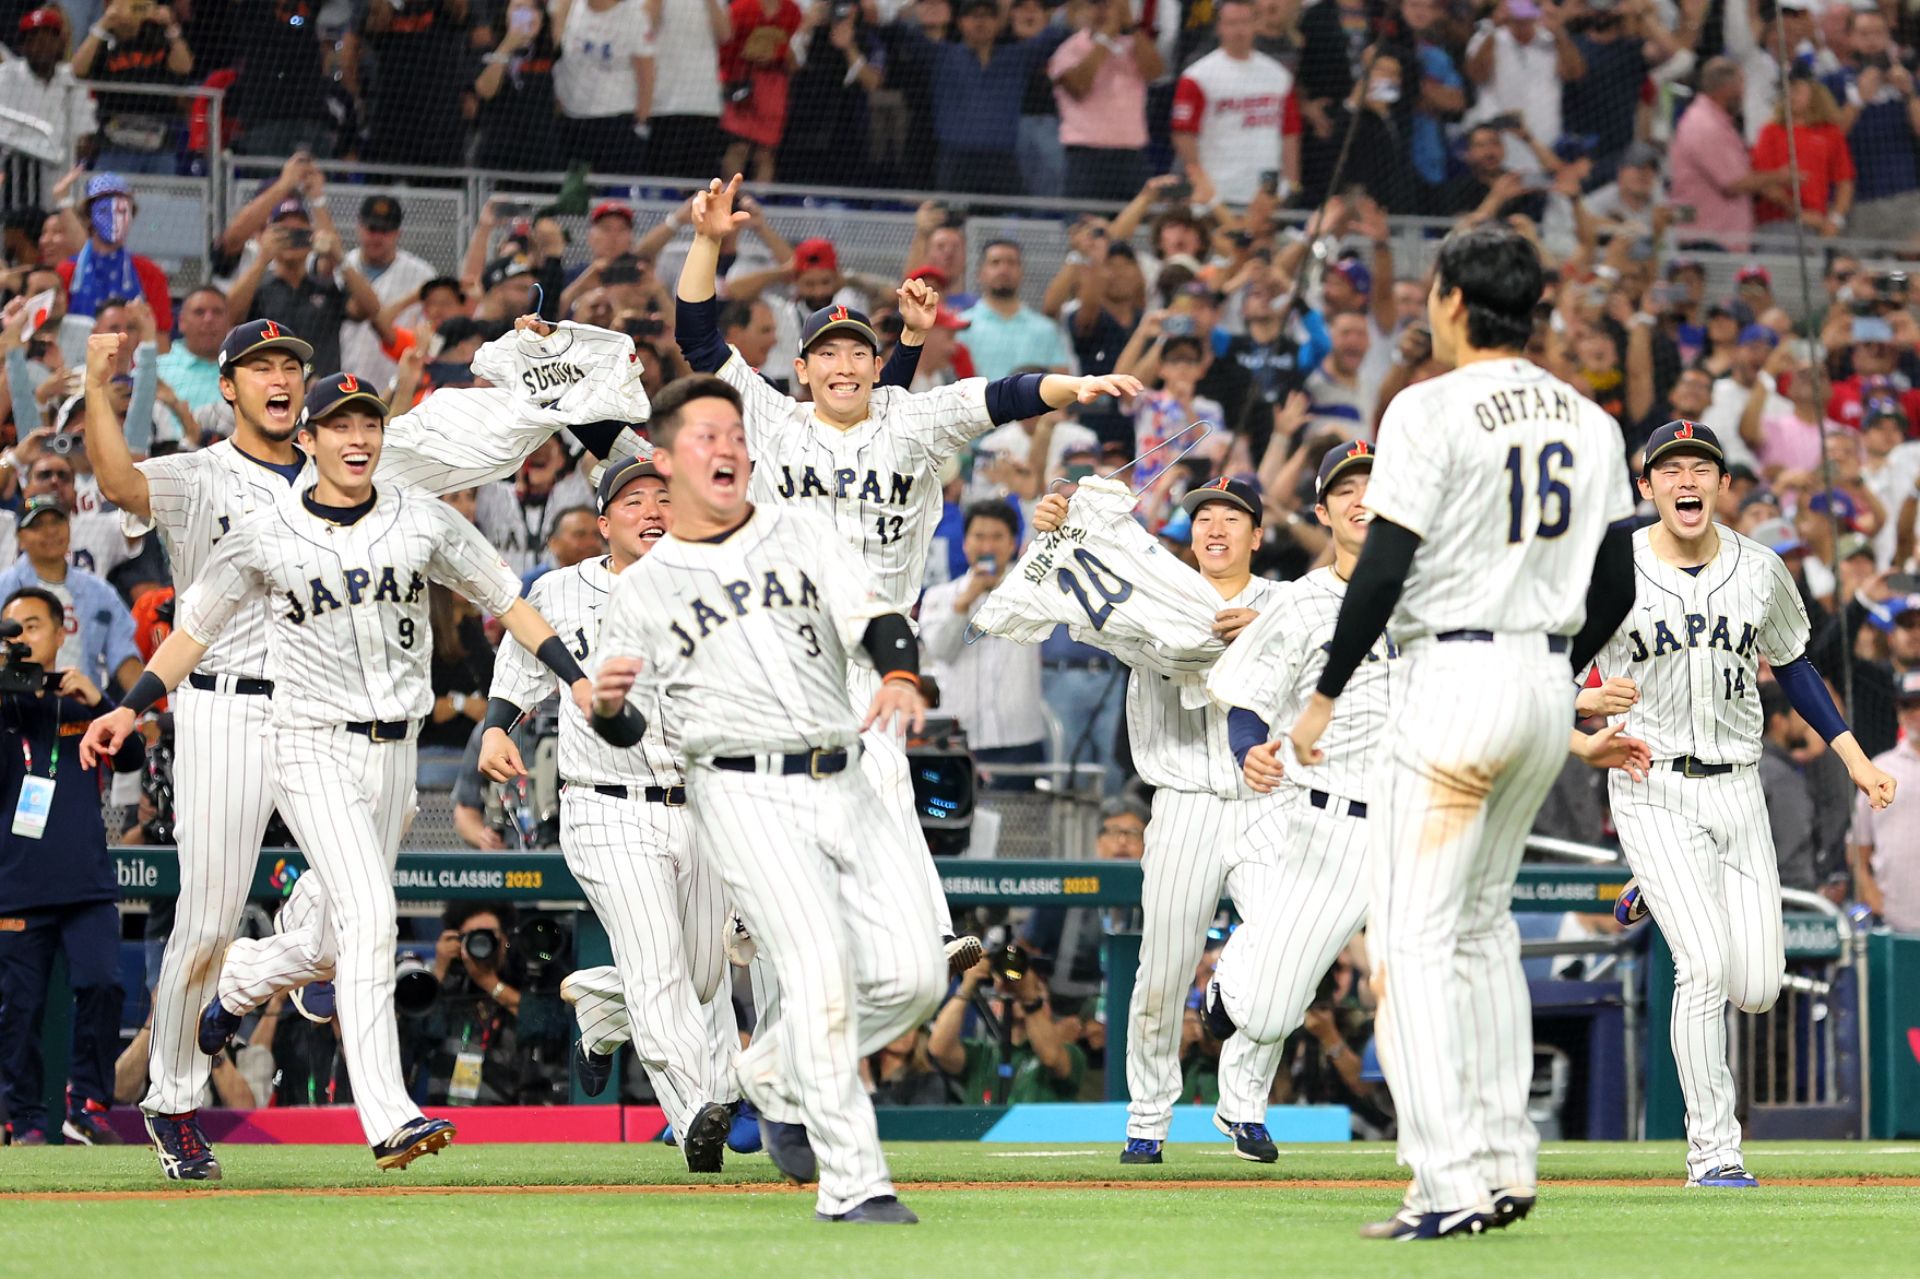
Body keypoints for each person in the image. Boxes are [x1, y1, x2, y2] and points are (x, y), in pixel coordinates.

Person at [81, 372, 595, 1172]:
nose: (358, 438)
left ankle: (246, 979)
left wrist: (574, 673)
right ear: (309, 439)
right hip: (282, 725)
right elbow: (192, 632)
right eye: (341, 424)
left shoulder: (414, 514)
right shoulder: (260, 522)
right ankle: (350, 1112)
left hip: (390, 745)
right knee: (291, 917)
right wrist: (134, 705)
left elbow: (512, 601)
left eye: (370, 423)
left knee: (328, 936)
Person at [675, 174, 1139, 971]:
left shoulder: (908, 417)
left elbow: (1002, 394)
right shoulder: (773, 420)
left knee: (884, 776)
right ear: (804, 366)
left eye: (859, 349)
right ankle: (759, 912)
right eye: (830, 353)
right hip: (785, 641)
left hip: (880, 644)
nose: (845, 363)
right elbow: (696, 336)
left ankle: (923, 930)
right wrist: (710, 241)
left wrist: (1076, 387)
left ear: (876, 358)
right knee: (780, 789)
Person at [1286, 224, 1637, 1239]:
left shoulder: (1427, 407)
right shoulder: (1591, 418)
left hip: (1452, 676)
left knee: (1411, 937)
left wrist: (1323, 696)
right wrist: (1554, 677)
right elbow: (1616, 578)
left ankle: (1445, 1182)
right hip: (1538, 678)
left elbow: (1384, 565)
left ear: (1447, 299)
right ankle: (1503, 1159)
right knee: (1484, 930)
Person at [587, 374, 945, 1223]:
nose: (728, 447)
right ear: (667, 460)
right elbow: (626, 728)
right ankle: (854, 1183)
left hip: (844, 771)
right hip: (739, 791)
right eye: (707, 435)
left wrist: (899, 670)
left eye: (736, 434)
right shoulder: (643, 587)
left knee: (917, 974)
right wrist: (604, 706)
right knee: (819, 970)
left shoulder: (802, 530)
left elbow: (878, 615)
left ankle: (771, 1070)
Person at [1588, 420, 1895, 1191]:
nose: (1685, 478)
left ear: (1724, 485)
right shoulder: (1611, 566)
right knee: (1702, 966)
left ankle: (1657, 889)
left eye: (1701, 466)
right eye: (1670, 468)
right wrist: (1584, 701)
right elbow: (1549, 662)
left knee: (1756, 986)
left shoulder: (1760, 568)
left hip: (1737, 783)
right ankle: (1714, 1152)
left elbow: (1794, 667)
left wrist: (1853, 754)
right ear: (1647, 485)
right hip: (1649, 779)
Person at [479, 455, 740, 1171]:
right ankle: (696, 1115)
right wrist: (499, 726)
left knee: (704, 978)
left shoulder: (718, 586)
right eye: (633, 501)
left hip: (703, 805)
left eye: (664, 498)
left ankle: (604, 1005)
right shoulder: (561, 589)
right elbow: (520, 672)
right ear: (602, 523)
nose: (652, 510)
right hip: (606, 804)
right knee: (660, 970)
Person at [1029, 477, 1288, 1165]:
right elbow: (1072, 595)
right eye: (1203, 515)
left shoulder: (1290, 604)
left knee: (1280, 955)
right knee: (1163, 970)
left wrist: (1266, 635)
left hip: (1268, 799)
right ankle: (1148, 1116)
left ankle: (1245, 1105)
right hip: (1183, 801)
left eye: (1233, 517)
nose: (1217, 526)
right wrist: (1054, 530)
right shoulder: (1151, 592)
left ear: (1257, 535)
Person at [0, 586, 145, 1146]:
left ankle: (86, 1107)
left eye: (33, 626)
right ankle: (25, 1121)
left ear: (62, 633)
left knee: (104, 984)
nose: (23, 638)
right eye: (12, 629)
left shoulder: (81, 697)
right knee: (19, 1010)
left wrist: (105, 701)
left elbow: (130, 755)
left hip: (85, 882)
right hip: (15, 884)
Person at [920, 499, 1047, 783]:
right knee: (956, 823)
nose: (987, 546)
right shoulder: (939, 596)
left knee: (1020, 824)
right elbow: (940, 650)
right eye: (979, 536)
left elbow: (1049, 549)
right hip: (957, 737)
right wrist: (964, 602)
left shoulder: (1034, 592)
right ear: (965, 543)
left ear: (1013, 543)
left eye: (997, 537)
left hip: (1018, 738)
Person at [0, 496, 142, 693]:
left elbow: (124, 656)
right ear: (21, 538)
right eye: (37, 525)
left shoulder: (100, 592)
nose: (50, 531)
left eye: (57, 521)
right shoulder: (3, 588)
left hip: (81, 706)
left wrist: (146, 713)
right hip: (15, 707)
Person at [1170, 0, 1300, 208]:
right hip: (1217, 191)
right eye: (1231, 23)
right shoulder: (1198, 76)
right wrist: (1200, 181)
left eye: (1245, 22)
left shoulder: (1279, 76)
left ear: (1257, 23)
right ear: (1219, 27)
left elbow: (1290, 133)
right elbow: (1183, 133)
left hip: (1265, 195)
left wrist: (1292, 182)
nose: (1239, 30)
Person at [929, 955, 1086, 1102]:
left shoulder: (1071, 1053)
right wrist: (967, 985)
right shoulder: (984, 1055)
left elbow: (1051, 1057)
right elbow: (939, 1048)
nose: (1016, 989)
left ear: (1047, 1006)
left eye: (1037, 988)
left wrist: (1029, 996)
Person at [1049, 0, 1163, 202]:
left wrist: (1132, 27)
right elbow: (1079, 86)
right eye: (1095, 4)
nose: (1102, 11)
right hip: (1085, 155)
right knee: (1086, 229)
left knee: (1135, 230)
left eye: (1108, 5)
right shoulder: (1069, 49)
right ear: (1082, 9)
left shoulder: (1134, 47)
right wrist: (1104, 39)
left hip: (1131, 154)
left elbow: (1155, 72)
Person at [1823, 10, 1920, 247]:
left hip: (1905, 193)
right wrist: (1857, 99)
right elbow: (1828, 140)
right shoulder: (1833, 82)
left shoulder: (1907, 81)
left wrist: (1909, 94)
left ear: (1889, 37)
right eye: (1864, 34)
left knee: (1909, 275)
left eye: (1879, 33)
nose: (1872, 40)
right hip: (1858, 200)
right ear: (1850, 38)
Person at [71, 0, 194, 175]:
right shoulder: (103, 41)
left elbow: (184, 67)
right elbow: (77, 69)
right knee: (109, 198)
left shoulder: (157, 35)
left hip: (159, 144)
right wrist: (103, 24)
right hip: (114, 145)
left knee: (163, 199)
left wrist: (171, 28)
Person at [340, 196, 437, 389]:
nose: (377, 237)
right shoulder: (341, 269)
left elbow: (429, 340)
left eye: (385, 231)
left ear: (398, 233)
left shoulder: (422, 274)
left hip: (397, 384)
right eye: (372, 229)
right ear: (359, 227)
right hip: (344, 381)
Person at [55, 173, 174, 330]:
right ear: (88, 217)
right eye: (104, 211)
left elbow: (161, 338)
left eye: (122, 212)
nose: (115, 220)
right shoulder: (67, 272)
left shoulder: (150, 273)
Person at [1850, 671, 1920, 933]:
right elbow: (1857, 849)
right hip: (1893, 921)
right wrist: (1869, 891)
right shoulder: (1879, 770)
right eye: (1907, 706)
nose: (1915, 714)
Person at [961, 240, 1073, 380]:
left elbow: (1061, 379)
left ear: (1022, 272)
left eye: (1011, 263)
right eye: (995, 262)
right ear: (980, 272)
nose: (1003, 269)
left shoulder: (1045, 329)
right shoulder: (960, 327)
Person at [154, 286, 228, 415]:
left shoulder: (243, 368)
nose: (208, 319)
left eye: (217, 312)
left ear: (228, 322)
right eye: (199, 312)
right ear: (181, 322)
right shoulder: (157, 369)